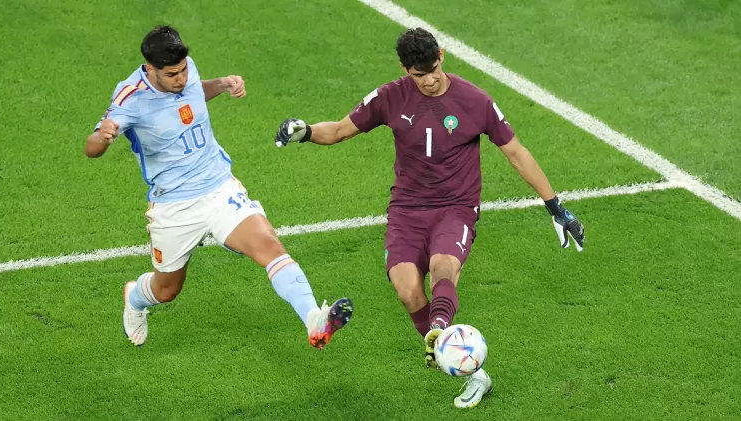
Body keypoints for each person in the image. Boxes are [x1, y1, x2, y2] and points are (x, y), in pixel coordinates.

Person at [273, 27, 584, 408]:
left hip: (457, 207)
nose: (431, 80)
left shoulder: (475, 101)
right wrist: (304, 132)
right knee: (407, 291)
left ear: (442, 55)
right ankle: (472, 371)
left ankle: (438, 332)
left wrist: (557, 208)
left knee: (443, 266)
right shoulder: (390, 97)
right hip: (407, 209)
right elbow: (338, 131)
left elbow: (516, 152)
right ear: (405, 69)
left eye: (434, 68)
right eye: (420, 74)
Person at [85, 25, 352, 349]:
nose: (181, 79)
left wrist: (223, 84)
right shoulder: (130, 97)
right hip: (174, 204)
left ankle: (314, 318)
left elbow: (195, 92)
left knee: (268, 245)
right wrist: (104, 136)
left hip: (218, 187)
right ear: (150, 69)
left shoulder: (187, 69)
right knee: (168, 289)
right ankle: (136, 297)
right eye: (172, 75)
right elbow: (91, 148)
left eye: (183, 70)